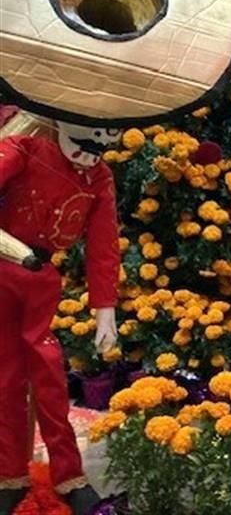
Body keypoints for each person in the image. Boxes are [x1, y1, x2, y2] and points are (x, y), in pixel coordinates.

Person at [0, 124, 121, 515]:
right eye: (84, 145)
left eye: (99, 149)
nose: (89, 156)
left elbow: (103, 243)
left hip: (41, 279)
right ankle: (9, 475)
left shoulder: (99, 177)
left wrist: (106, 310)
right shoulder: (23, 149)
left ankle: (69, 475)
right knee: (5, 378)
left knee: (50, 375)